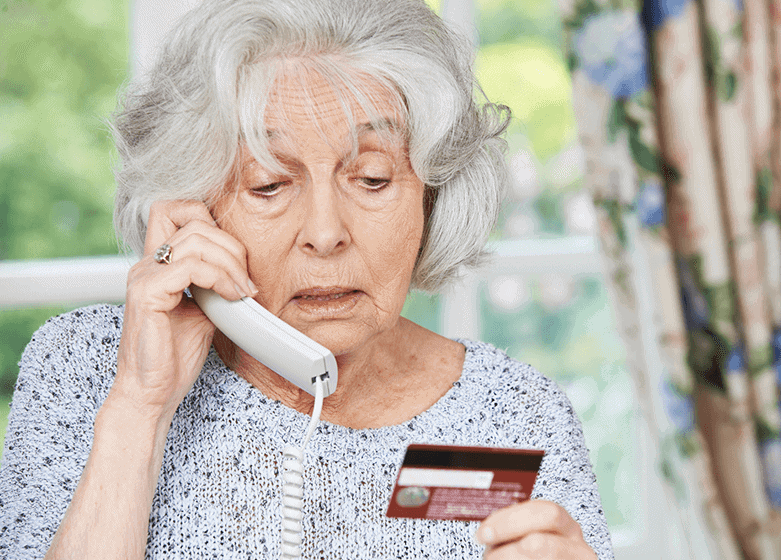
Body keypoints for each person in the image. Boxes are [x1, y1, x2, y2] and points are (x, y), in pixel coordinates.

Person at [0, 0, 614, 558]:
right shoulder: (86, 367)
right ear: (193, 209)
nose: (325, 232)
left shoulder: (515, 413)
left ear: (432, 198)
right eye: (268, 184)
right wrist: (141, 403)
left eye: (372, 179)